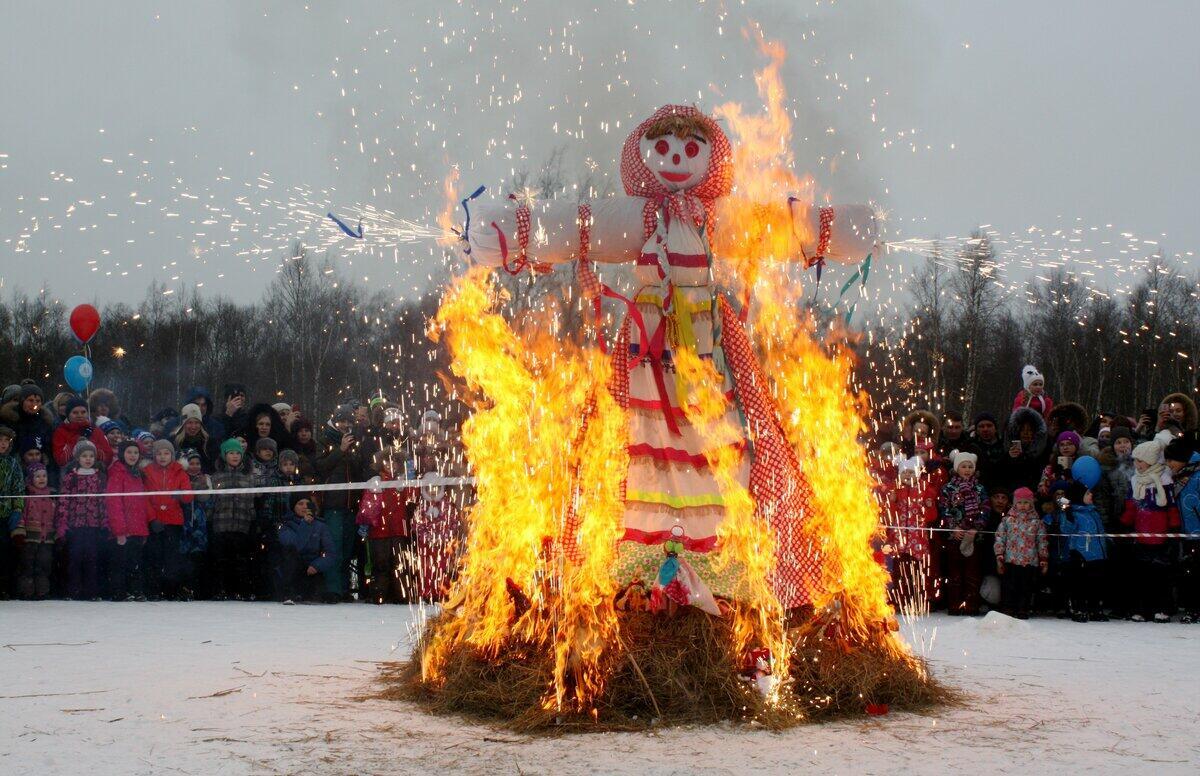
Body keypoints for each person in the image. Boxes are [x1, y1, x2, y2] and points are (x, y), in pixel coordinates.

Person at [1121, 440, 1180, 622]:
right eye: (1135, 460)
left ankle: (1163, 608)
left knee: (1160, 574)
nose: (1137, 464)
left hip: (1161, 535)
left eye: (1140, 461)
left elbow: (1171, 506)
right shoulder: (1135, 480)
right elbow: (1131, 506)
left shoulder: (1164, 479)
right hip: (1141, 534)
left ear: (1151, 461)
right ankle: (1143, 609)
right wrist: (1124, 523)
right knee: (1142, 574)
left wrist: (1174, 527)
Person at [315, 405, 368, 600]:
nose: (345, 425)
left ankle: (344, 589)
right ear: (334, 421)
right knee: (333, 548)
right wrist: (341, 450)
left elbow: (358, 470)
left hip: (351, 505)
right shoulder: (324, 440)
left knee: (347, 549)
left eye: (348, 421)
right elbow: (320, 467)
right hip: (332, 504)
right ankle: (332, 589)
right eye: (342, 421)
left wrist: (352, 452)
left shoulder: (355, 442)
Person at [357, 447, 415, 605]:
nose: (390, 464)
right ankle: (379, 595)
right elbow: (366, 506)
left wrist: (411, 481)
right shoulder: (375, 482)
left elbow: (413, 498)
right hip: (379, 530)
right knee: (380, 563)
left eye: (394, 461)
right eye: (387, 461)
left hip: (399, 529)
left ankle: (401, 596)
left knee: (399, 563)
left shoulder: (404, 482)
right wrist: (365, 523)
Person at [55, 440, 108, 600]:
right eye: (84, 456)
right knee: (75, 558)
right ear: (77, 458)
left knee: (92, 558)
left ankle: (91, 592)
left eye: (91, 456)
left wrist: (105, 523)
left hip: (93, 525)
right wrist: (62, 524)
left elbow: (103, 502)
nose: (88, 459)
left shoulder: (99, 477)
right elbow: (64, 501)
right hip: (75, 526)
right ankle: (73, 591)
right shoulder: (71, 477)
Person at [883, 455, 938, 612]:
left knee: (918, 572)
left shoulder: (924, 491)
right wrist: (892, 502)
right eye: (904, 472)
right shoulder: (895, 490)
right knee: (900, 572)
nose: (908, 475)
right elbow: (889, 515)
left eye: (911, 472)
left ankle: (920, 602)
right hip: (899, 539)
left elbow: (931, 517)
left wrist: (929, 506)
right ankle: (901, 601)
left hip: (918, 541)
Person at [938, 450, 989, 615]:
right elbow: (944, 509)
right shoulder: (948, 488)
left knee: (972, 573)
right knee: (954, 573)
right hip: (955, 536)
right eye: (963, 466)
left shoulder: (979, 488)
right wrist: (953, 527)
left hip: (973, 537)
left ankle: (971, 605)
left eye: (970, 466)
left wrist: (976, 528)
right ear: (956, 468)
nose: (967, 470)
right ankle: (954, 604)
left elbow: (985, 509)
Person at [209, 438, 256, 600]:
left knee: (241, 559)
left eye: (238, 453)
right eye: (231, 453)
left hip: (242, 523)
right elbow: (212, 500)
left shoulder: (249, 477)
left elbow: (253, 499)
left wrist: (252, 517)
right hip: (221, 523)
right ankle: (220, 590)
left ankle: (241, 590)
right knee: (221, 559)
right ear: (224, 456)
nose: (235, 456)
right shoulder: (216, 477)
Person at [1055, 482, 1108, 621]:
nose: (1091, 495)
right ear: (1079, 496)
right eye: (1087, 493)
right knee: (1080, 583)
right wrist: (1067, 514)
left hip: (1097, 553)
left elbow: (1100, 530)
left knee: (1096, 582)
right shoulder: (1072, 512)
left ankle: (1095, 609)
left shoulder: (1093, 511)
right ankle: (1078, 608)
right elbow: (1066, 530)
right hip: (1081, 553)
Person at [105, 440, 150, 601]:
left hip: (137, 528)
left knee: (135, 562)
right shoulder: (117, 473)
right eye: (129, 452)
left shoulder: (138, 474)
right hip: (123, 529)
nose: (133, 455)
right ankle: (119, 591)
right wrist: (120, 530)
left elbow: (142, 504)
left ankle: (135, 590)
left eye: (136, 452)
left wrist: (143, 530)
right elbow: (114, 503)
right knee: (120, 562)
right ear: (122, 454)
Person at [994, 487, 1048, 619]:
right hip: (1011, 559)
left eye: (1026, 502)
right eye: (1019, 502)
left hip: (1029, 560)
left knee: (1026, 586)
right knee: (1009, 585)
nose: (1023, 505)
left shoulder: (1037, 522)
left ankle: (1023, 608)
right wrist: (999, 555)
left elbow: (1042, 540)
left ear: (1031, 504)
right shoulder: (1007, 520)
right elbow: (1000, 537)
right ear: (1014, 503)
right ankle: (1008, 607)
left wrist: (1043, 558)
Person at [1164, 436, 1200, 623]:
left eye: (1171, 459)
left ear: (1182, 458)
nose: (1168, 464)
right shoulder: (1180, 477)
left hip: (1197, 533)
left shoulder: (1197, 476)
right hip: (1187, 534)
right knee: (1189, 572)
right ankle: (1191, 607)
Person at [276, 494, 336, 604]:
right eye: (300, 504)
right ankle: (288, 593)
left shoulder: (320, 526)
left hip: (312, 569)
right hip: (292, 570)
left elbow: (330, 553)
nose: (304, 507)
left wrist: (317, 565)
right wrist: (305, 524)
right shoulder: (285, 526)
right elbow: (295, 546)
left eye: (307, 504)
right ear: (293, 507)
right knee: (290, 554)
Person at [0, 384, 56, 483]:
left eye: (38, 401)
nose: (34, 404)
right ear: (22, 401)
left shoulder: (45, 423)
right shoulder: (8, 420)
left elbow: (48, 448)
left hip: (39, 474)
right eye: (30, 400)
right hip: (12, 471)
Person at [15, 463, 55, 599]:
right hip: (30, 538)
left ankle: (42, 591)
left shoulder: (52, 496)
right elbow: (22, 516)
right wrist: (20, 531)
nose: (42, 479)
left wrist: (57, 534)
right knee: (27, 565)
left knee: (44, 565)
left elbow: (56, 517)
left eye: (44, 476)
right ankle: (26, 591)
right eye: (37, 476)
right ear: (31, 478)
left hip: (46, 539)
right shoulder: (28, 497)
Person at [51, 396, 114, 469]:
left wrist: (90, 444)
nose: (80, 415)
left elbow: (108, 457)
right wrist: (76, 442)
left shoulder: (95, 430)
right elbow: (60, 460)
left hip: (95, 472)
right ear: (68, 415)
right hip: (70, 473)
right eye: (75, 412)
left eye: (83, 412)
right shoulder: (60, 432)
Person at [0, 425, 25, 598]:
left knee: (4, 551)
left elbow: (18, 488)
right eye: (0, 440)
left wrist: (17, 508)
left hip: (5, 514)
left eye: (6, 441)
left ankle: (4, 587)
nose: (3, 444)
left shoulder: (13, 463)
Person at [1003, 407, 1048, 493]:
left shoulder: (1043, 451)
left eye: (1030, 430)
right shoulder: (1008, 452)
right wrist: (1009, 458)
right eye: (1022, 429)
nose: (1026, 433)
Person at [172, 403, 218, 473]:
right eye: (190, 423)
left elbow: (213, 467)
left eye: (197, 423)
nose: (193, 427)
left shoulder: (209, 442)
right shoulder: (174, 441)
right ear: (183, 424)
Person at [967, 411, 1007, 493]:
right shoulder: (971, 448)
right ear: (976, 430)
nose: (985, 429)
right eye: (981, 426)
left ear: (995, 428)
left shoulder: (1005, 446)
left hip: (1001, 492)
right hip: (978, 492)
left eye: (989, 426)